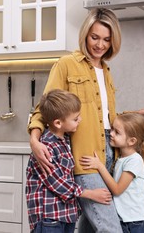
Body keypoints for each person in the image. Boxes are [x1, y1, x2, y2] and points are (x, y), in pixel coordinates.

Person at [28, 8, 144, 233]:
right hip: (86, 158)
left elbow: (108, 119)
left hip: (110, 157)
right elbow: (44, 108)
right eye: (95, 37)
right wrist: (34, 140)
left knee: (90, 227)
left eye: (107, 40)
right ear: (85, 35)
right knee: (110, 228)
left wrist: (142, 112)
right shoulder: (66, 64)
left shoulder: (106, 70)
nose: (100, 45)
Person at [26, 89, 112, 233]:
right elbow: (57, 183)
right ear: (58, 123)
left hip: (65, 216)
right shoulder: (46, 147)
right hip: (49, 218)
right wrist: (90, 193)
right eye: (75, 118)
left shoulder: (64, 141)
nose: (80, 120)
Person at [80, 113, 144, 233]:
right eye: (112, 129)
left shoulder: (134, 160)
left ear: (131, 141)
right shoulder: (120, 158)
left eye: (117, 132)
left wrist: (99, 166)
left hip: (136, 222)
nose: (111, 134)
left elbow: (117, 189)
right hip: (126, 219)